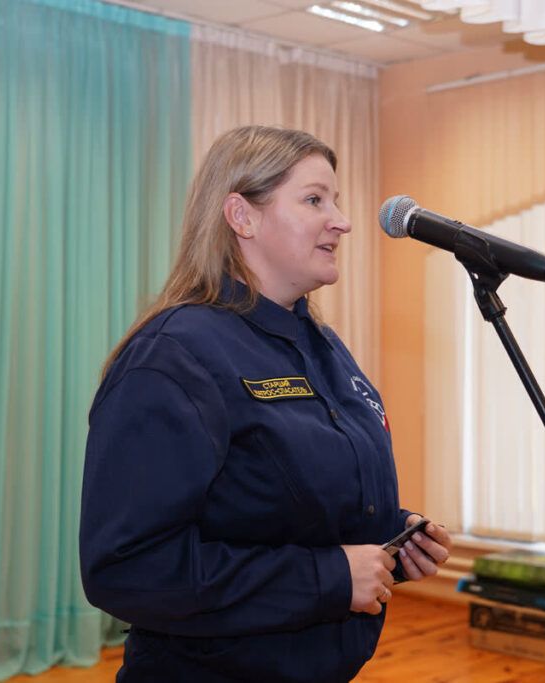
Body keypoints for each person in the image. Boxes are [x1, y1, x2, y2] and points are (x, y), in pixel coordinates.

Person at [79, 125, 452, 683]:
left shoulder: (322, 346)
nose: (342, 221)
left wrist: (394, 533)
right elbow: (126, 568)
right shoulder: (175, 355)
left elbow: (279, 499)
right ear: (242, 216)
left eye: (336, 200)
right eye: (314, 200)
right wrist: (327, 578)